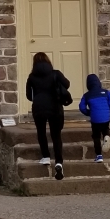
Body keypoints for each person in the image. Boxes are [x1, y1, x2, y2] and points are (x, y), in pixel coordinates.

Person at [25, 52, 69, 180]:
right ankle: (59, 162)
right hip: (55, 107)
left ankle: (45, 156)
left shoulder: (32, 77)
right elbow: (67, 84)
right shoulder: (56, 73)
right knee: (56, 135)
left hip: (38, 107)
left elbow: (28, 95)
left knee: (41, 132)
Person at [78, 74, 110, 162]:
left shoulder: (87, 95)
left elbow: (81, 107)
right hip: (106, 116)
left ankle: (99, 156)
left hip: (95, 118)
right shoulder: (106, 92)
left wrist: (88, 113)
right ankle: (106, 136)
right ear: (98, 82)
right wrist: (109, 110)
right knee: (106, 128)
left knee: (96, 136)